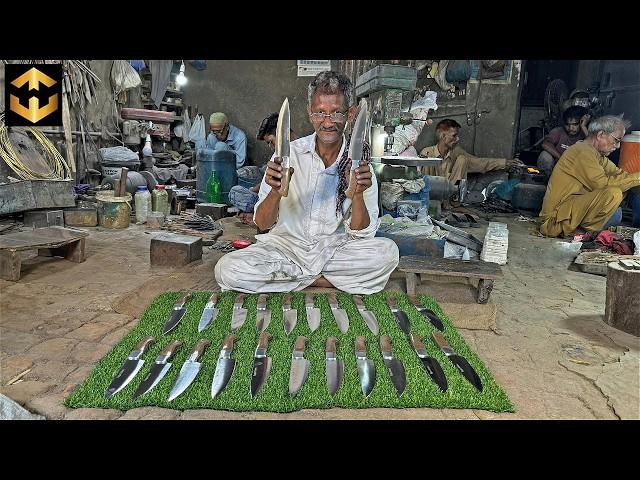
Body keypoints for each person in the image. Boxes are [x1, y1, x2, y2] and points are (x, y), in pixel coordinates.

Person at [215, 71, 399, 294]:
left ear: (350, 115)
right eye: (320, 113)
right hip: (286, 250)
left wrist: (357, 194)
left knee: (387, 253)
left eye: (336, 113)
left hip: (334, 251)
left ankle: (289, 281)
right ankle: (323, 281)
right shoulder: (286, 157)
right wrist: (274, 192)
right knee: (227, 269)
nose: (328, 122)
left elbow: (362, 235)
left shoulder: (360, 166)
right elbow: (262, 224)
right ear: (310, 114)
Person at [539, 115, 640, 237]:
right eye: (616, 140)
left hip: (571, 210)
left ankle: (583, 230)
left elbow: (620, 175)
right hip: (555, 220)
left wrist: (635, 179)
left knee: (618, 207)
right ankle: (582, 233)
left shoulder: (596, 155)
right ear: (600, 135)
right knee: (613, 194)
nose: (617, 146)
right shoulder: (582, 151)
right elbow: (604, 184)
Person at [419, 119, 523, 193]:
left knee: (463, 159)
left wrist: (505, 162)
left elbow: (478, 163)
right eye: (454, 136)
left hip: (450, 195)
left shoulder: (457, 152)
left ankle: (454, 199)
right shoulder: (427, 152)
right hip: (430, 195)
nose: (457, 139)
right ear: (442, 136)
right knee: (427, 159)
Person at [229, 113, 297, 226]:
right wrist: (254, 190)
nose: (270, 146)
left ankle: (256, 213)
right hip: (271, 201)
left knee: (235, 193)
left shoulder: (302, 153)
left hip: (284, 208)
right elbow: (271, 184)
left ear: (283, 135)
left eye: (271, 142)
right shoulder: (279, 154)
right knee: (239, 191)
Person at [537, 106, 590, 178]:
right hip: (557, 169)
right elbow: (546, 144)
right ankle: (548, 181)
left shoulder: (586, 134)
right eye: (567, 124)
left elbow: (593, 149)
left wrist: (584, 127)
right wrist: (561, 158)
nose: (571, 128)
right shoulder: (558, 131)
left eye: (575, 124)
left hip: (577, 171)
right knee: (544, 155)